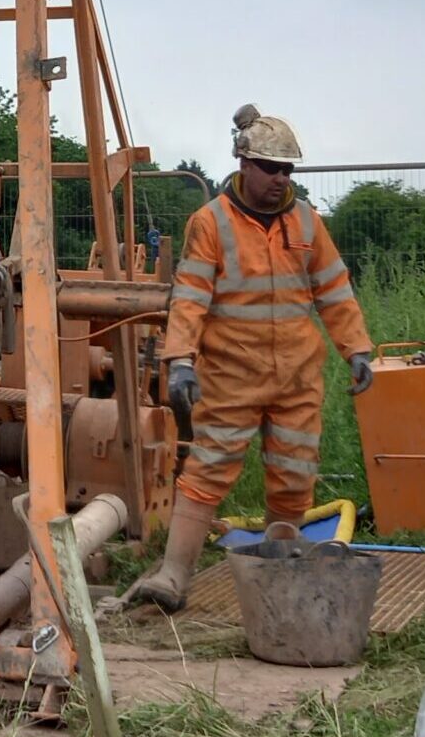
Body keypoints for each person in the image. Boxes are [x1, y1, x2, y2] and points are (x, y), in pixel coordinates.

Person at [124, 105, 375, 612]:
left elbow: (333, 290)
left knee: (294, 471)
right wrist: (181, 361)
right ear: (243, 162)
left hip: (298, 377)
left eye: (288, 170)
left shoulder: (306, 221)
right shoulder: (210, 223)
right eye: (270, 167)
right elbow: (190, 296)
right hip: (231, 375)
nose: (280, 179)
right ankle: (173, 575)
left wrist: (357, 348)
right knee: (209, 468)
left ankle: (282, 562)